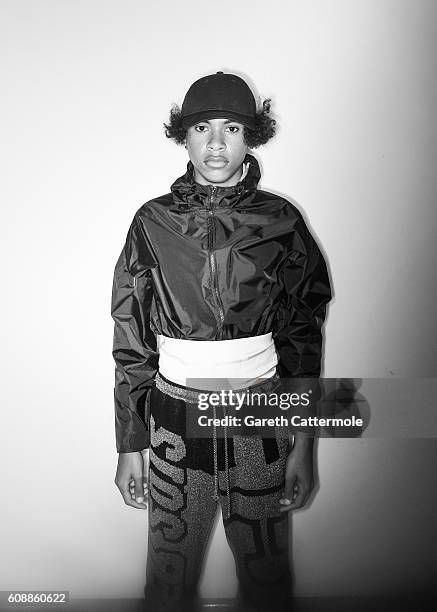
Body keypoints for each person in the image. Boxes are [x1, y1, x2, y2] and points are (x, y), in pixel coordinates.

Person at [111, 71, 332, 611]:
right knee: (167, 579)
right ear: (182, 137)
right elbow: (131, 337)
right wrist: (129, 443)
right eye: (202, 128)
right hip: (174, 422)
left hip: (261, 415)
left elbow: (303, 335)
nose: (215, 142)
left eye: (231, 127)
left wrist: (305, 446)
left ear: (250, 136)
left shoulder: (281, 221)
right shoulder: (152, 223)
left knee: (267, 577)